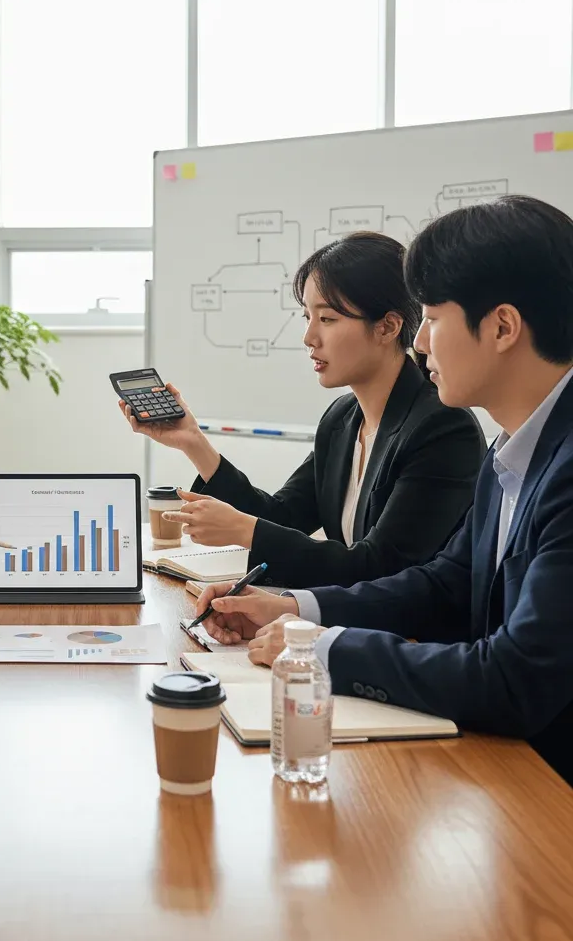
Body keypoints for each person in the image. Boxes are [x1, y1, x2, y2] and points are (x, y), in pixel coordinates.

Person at [195, 196, 573, 784]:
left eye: (433, 319)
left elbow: (514, 678)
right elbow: (445, 583)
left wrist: (324, 651)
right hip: (500, 767)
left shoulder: (561, 468)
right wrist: (295, 611)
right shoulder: (514, 450)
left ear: (501, 327)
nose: (421, 343)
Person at [121, 232, 485, 588]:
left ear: (387, 326)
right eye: (306, 317)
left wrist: (247, 531)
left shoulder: (442, 427)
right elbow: (282, 518)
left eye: (327, 319)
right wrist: (193, 442)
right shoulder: (342, 420)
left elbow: (382, 567)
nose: (309, 337)